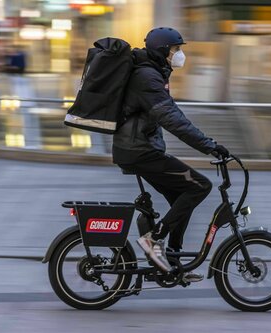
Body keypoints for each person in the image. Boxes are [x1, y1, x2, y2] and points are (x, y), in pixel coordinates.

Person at [112, 27, 231, 282]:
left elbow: (173, 114)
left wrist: (208, 142)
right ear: (163, 51)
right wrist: (209, 145)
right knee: (200, 185)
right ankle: (153, 239)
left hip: (139, 149)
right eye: (176, 50)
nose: (179, 55)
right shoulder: (147, 78)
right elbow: (173, 120)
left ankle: (173, 263)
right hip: (139, 151)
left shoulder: (154, 73)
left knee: (182, 195)